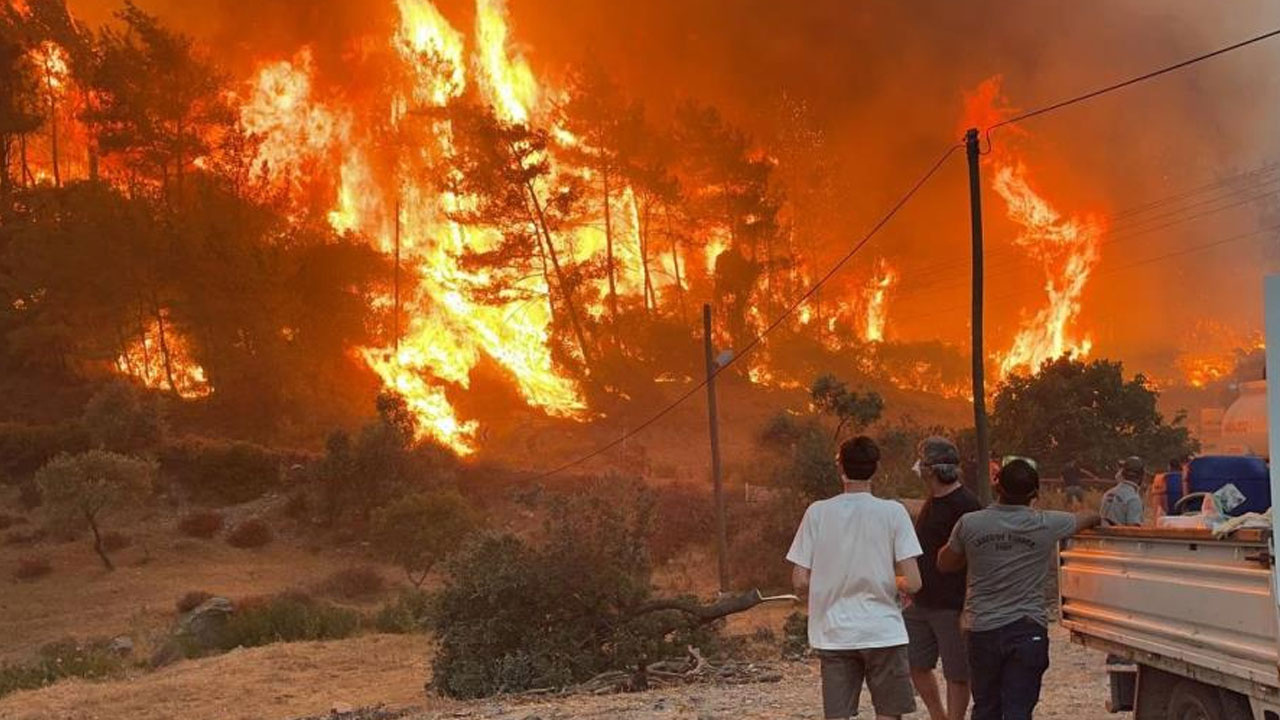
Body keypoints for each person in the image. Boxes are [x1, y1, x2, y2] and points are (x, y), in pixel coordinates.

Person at [938, 459, 1101, 720]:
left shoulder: (970, 524)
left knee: (986, 706)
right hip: (1027, 628)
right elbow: (1087, 517)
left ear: (997, 486)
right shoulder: (1047, 523)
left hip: (982, 628)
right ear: (1035, 494)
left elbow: (945, 563)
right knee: (1018, 710)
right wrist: (1097, 516)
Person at [787, 435, 923, 720]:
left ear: (841, 468)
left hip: (834, 634)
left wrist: (827, 584)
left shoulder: (817, 512)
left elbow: (800, 580)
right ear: (876, 469)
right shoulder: (893, 512)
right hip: (883, 631)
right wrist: (893, 582)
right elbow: (914, 582)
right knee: (889, 712)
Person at [907, 437, 981, 720]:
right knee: (915, 663)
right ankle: (938, 715)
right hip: (922, 602)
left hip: (951, 605)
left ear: (932, 469)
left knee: (957, 673)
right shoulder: (933, 500)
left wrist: (967, 608)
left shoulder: (966, 504)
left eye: (923, 463)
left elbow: (975, 560)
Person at [1101, 456, 1145, 527]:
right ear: (1141, 476)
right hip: (1120, 537)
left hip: (1103, 537)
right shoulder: (1133, 499)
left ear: (1122, 473)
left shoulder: (1108, 493)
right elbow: (1133, 530)